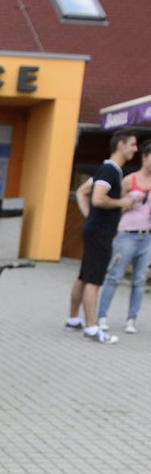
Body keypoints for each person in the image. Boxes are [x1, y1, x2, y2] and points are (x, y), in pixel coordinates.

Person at [65, 130, 140, 343]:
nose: (135, 149)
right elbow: (97, 198)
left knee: (84, 276)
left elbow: (81, 191)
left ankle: (72, 319)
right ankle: (91, 327)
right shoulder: (110, 170)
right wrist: (122, 202)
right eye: (133, 144)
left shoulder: (108, 170)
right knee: (94, 280)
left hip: (96, 229)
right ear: (121, 145)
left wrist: (91, 217)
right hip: (101, 233)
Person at [94, 137, 151, 335]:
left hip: (148, 236)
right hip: (127, 234)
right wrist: (129, 202)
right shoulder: (129, 180)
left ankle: (131, 319)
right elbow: (115, 206)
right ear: (145, 157)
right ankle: (101, 316)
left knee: (139, 279)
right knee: (114, 276)